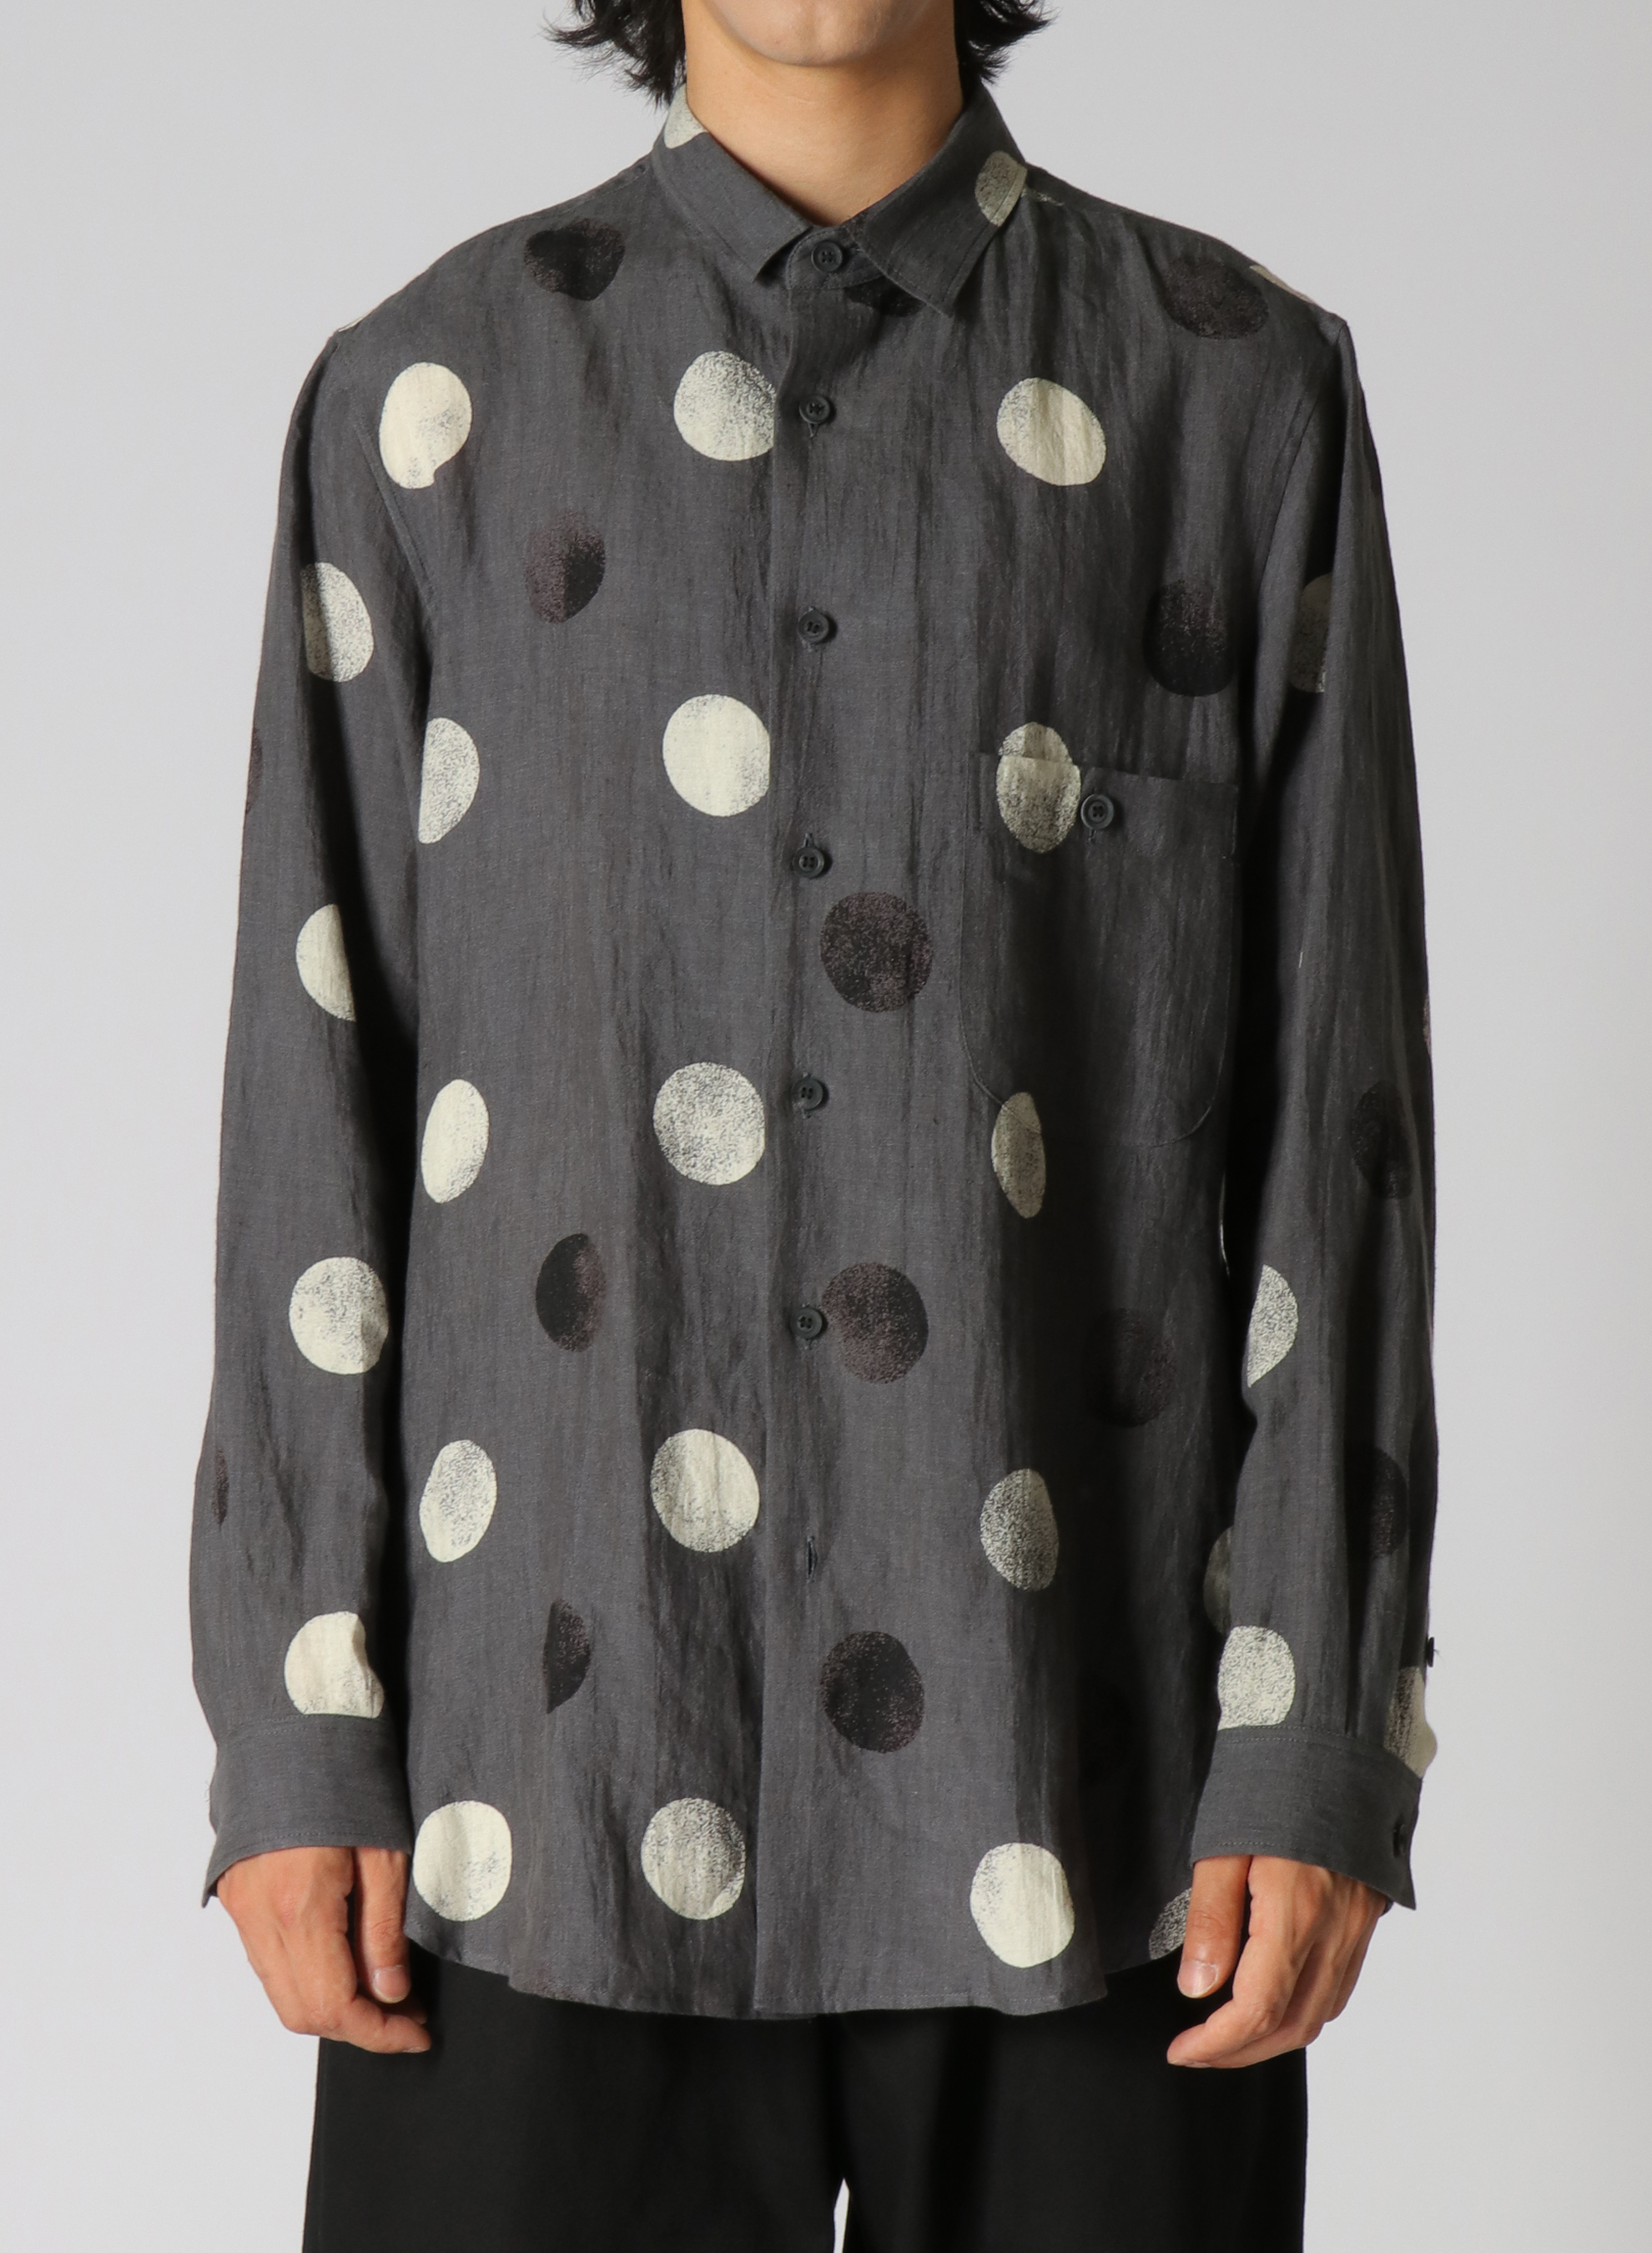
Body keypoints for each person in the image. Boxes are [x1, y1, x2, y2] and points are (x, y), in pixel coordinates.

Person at [192, 2, 1438, 2245]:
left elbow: (1335, 1109)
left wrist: (1320, 1720)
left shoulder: (1235, 393)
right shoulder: (424, 401)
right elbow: (315, 1077)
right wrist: (299, 1717)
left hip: (1105, 1788)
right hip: (537, 1788)